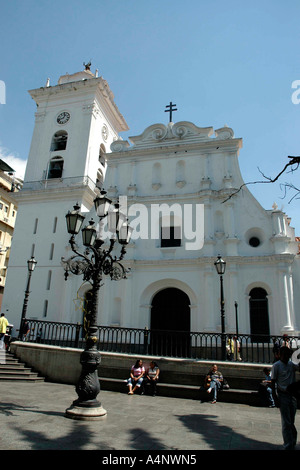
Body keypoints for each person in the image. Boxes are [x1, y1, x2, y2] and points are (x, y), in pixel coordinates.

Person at [271, 346, 299, 450]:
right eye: (285, 355)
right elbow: (273, 382)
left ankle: (292, 442)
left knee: (291, 421)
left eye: (288, 355)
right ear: (280, 355)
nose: (287, 357)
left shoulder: (291, 365)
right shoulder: (276, 366)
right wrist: (275, 397)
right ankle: (288, 444)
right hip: (282, 396)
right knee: (286, 422)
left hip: (292, 396)